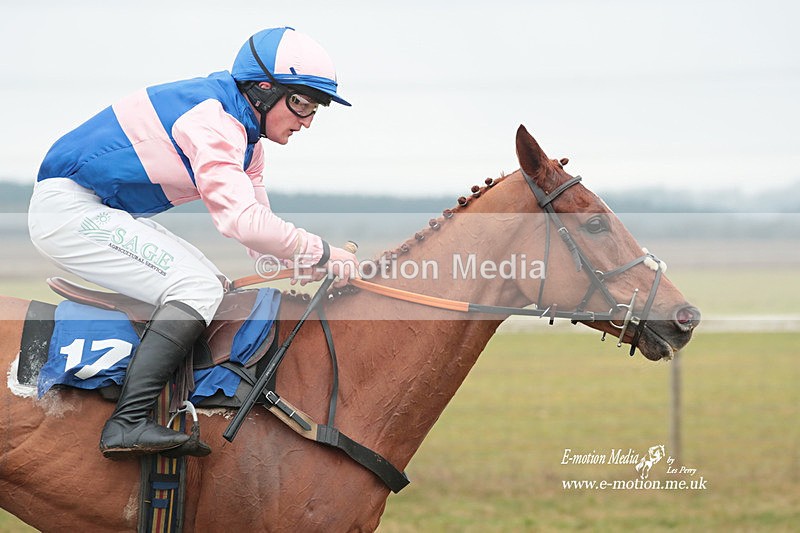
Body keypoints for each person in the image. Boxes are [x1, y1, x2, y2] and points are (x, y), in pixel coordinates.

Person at [28, 27, 359, 459]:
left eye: (315, 109)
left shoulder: (247, 142)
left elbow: (260, 235)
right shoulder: (213, 120)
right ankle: (126, 423)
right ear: (262, 90)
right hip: (68, 210)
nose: (307, 120)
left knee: (213, 284)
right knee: (196, 288)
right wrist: (323, 252)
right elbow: (242, 221)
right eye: (300, 103)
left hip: (99, 210)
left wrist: (311, 263)